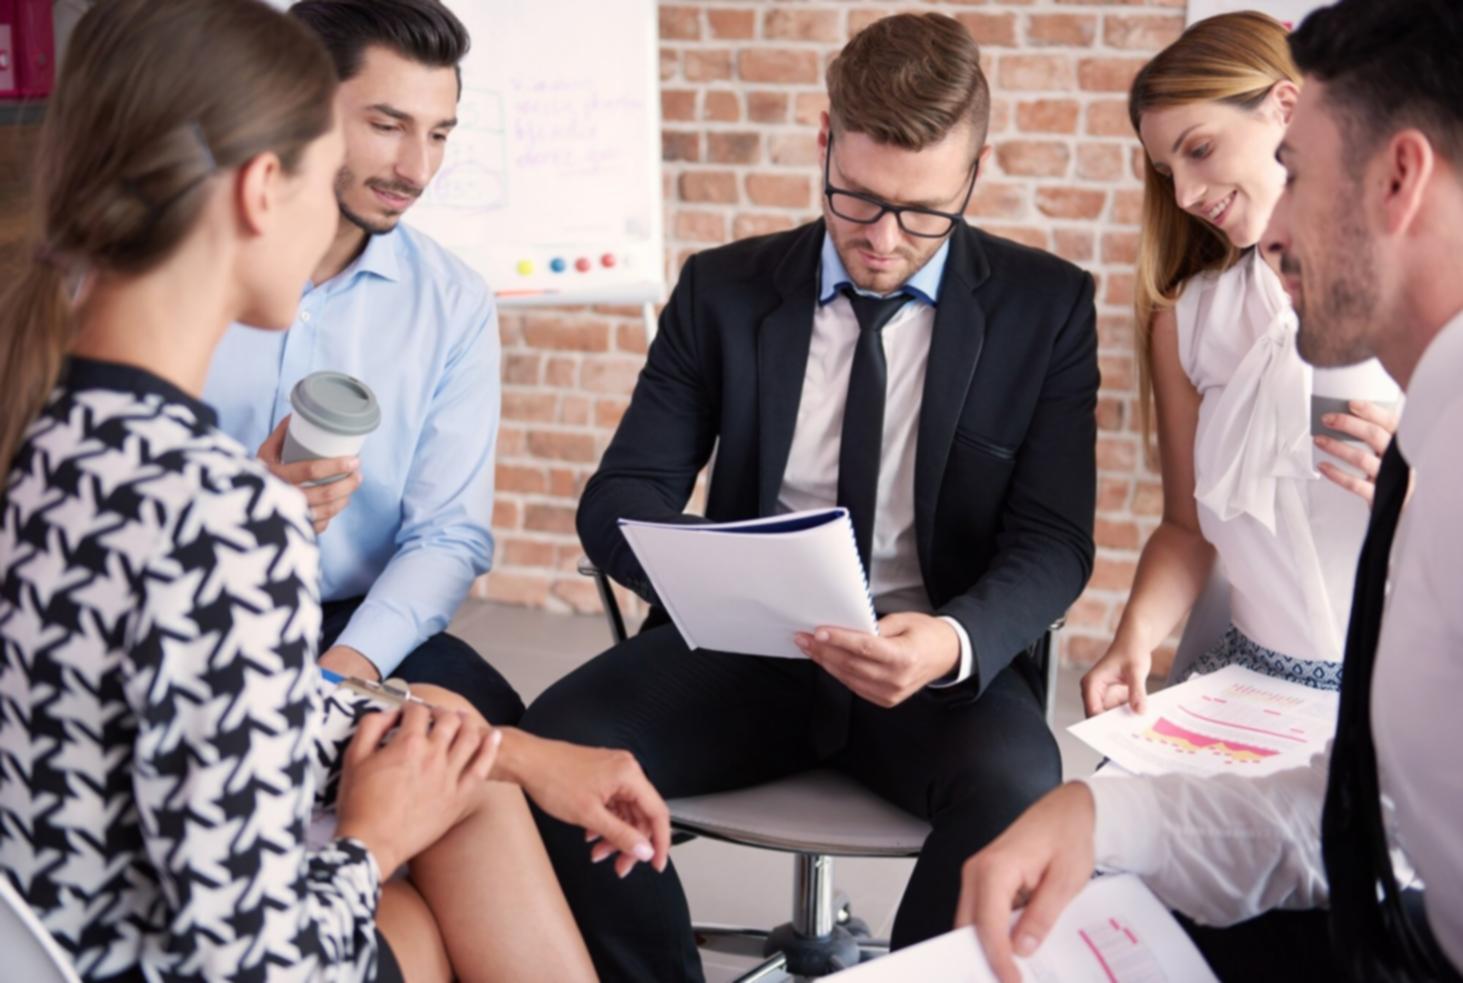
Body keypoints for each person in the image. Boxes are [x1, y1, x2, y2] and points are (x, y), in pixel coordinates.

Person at [0, 2, 669, 980]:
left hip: (59, 916)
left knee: (462, 794)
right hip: (142, 951)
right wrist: (372, 845)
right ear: (263, 190)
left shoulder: (61, 438)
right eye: (328, 170)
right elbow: (250, 960)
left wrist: (516, 754)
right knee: (418, 900)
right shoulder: (215, 512)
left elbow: (229, 709)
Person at [521, 12, 1099, 980]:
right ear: (823, 139)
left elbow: (1052, 540)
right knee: (550, 744)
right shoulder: (721, 291)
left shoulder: (1047, 310)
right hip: (747, 648)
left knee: (1019, 781)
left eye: (922, 213)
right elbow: (618, 497)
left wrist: (950, 640)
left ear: (975, 171)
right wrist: (729, 572)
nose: (881, 240)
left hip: (925, 666)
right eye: (857, 199)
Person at [956, 1, 1463, 980]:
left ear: (1395, 179)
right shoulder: (1205, 318)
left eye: (1300, 173)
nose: (1259, 230)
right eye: (1165, 170)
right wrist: (1112, 807)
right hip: (1275, 728)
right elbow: (1383, 787)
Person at [203, 0, 518, 726]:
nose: (416, 169)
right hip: (192, 602)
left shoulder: (452, 302)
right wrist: (244, 507)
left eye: (438, 134)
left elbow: (447, 534)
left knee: (502, 752)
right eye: (386, 125)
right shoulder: (185, 273)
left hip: (355, 621)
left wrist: (347, 667)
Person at [1080, 10, 1400, 718]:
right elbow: (1185, 527)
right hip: (1247, 686)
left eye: (1199, 149)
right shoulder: (1188, 320)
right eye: (1166, 172)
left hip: (1404, 695)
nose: (1186, 195)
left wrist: (1424, 502)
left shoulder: (1415, 291)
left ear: (1284, 108)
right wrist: (1131, 639)